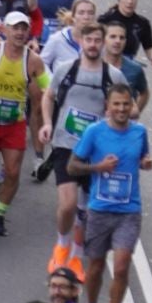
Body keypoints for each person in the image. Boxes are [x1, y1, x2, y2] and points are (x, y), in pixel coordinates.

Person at [38, 21, 129, 277]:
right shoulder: (66, 70)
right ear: (81, 42)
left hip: (96, 152)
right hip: (66, 146)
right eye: (88, 40)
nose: (93, 45)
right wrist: (46, 123)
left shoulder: (113, 76)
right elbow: (48, 95)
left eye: (97, 41)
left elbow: (124, 108)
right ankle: (61, 245)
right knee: (67, 205)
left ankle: (76, 257)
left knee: (87, 211)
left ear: (103, 43)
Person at [68, 85, 152, 303]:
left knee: (120, 267)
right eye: (116, 104)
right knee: (94, 267)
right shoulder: (94, 132)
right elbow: (72, 165)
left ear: (132, 106)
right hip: (100, 210)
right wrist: (98, 167)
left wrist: (146, 163)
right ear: (107, 106)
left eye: (126, 104)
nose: (121, 109)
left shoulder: (140, 132)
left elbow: (143, 157)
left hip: (129, 211)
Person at [0, 12, 49, 236]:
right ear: (4, 29)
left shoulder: (33, 61)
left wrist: (49, 110)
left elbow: (48, 88)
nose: (19, 32)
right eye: (15, 28)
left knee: (13, 172)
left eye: (24, 28)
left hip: (14, 124)